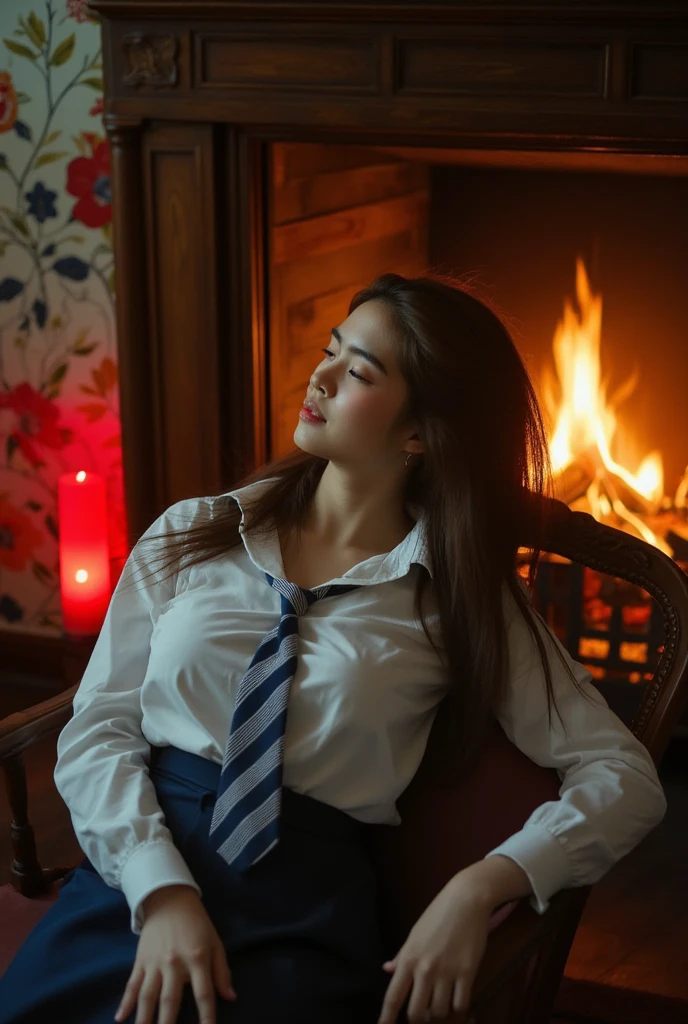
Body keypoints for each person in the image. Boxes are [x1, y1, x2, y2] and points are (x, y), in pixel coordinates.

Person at [0, 273, 666, 1024]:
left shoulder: (459, 599)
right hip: (141, 867)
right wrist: (161, 893)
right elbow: (101, 726)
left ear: (420, 433)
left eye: (355, 372)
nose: (315, 378)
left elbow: (623, 776)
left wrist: (486, 883)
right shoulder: (196, 530)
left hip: (301, 914)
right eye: (330, 351)